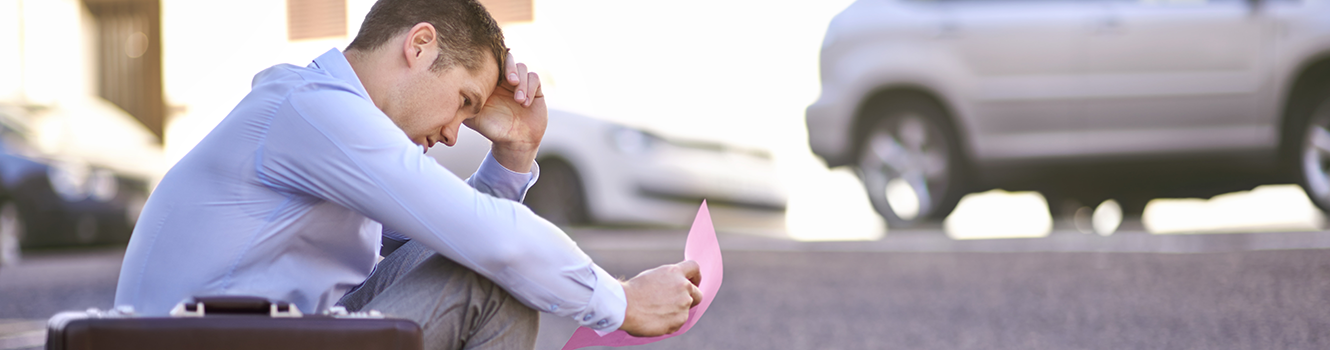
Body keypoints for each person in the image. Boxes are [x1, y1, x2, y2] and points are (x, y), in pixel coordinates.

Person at [112, 0, 703, 348]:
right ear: (419, 46)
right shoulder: (314, 111)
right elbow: (489, 240)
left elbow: (435, 242)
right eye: (465, 101)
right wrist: (619, 300)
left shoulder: (325, 113)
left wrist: (515, 149)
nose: (454, 133)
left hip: (260, 335)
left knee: (484, 264)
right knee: (490, 281)